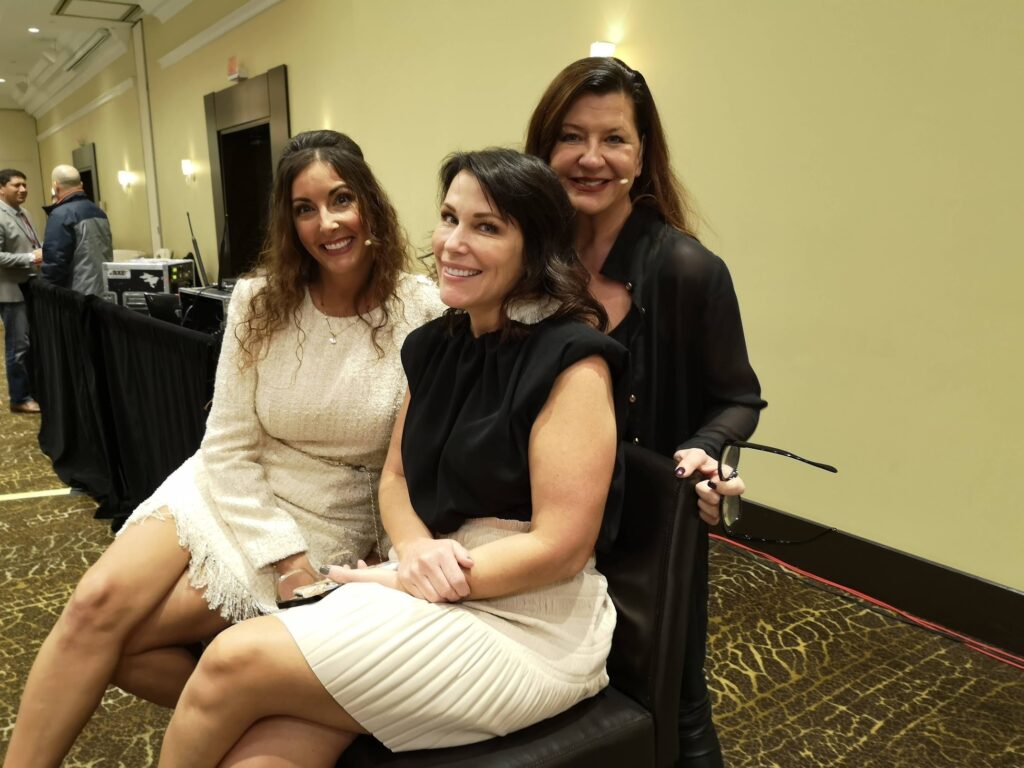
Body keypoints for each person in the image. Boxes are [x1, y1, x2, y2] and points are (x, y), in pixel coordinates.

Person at [156, 148, 626, 767]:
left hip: (531, 620)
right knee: (264, 750)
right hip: (433, 581)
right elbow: (396, 477)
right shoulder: (435, 344)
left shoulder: (572, 360)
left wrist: (411, 574)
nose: (453, 243)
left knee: (229, 659)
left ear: (534, 248)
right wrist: (415, 550)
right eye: (449, 218)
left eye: (486, 227)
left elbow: (561, 548)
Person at [2, 131, 445, 768]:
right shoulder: (259, 301)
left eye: (341, 199)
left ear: (369, 203)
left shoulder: (423, 308)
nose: (327, 223)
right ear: (288, 222)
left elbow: (412, 460)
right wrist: (280, 556)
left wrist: (326, 555)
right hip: (225, 483)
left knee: (130, 646)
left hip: (329, 512)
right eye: (305, 208)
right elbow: (229, 443)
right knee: (94, 605)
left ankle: (255, 705)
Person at [525, 57, 767, 767]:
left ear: (641, 155)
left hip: (648, 530)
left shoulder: (688, 269)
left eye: (614, 139)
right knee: (558, 703)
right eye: (572, 137)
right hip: (541, 520)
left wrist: (705, 450)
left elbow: (738, 398)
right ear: (544, 147)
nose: (591, 158)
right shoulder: (533, 261)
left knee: (672, 702)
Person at [0, 168, 43, 414]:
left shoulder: (24, 213)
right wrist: (30, 257)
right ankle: (19, 398)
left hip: (30, 285)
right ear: (1, 188)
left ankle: (32, 389)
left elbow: (32, 244)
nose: (23, 189)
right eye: (16, 185)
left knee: (29, 343)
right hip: (10, 290)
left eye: (24, 185)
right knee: (17, 346)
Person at [38, 164, 112, 296]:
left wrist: (44, 292)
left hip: (77, 293)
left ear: (55, 187)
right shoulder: (99, 212)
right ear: (81, 185)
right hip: (103, 289)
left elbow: (55, 262)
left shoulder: (60, 215)